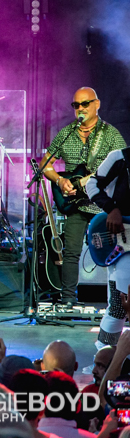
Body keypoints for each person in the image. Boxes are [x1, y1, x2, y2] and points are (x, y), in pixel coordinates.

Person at [41, 87, 125, 312]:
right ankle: (68, 298)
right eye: (76, 105)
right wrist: (60, 181)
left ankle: (118, 300)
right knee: (71, 251)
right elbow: (44, 164)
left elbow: (122, 167)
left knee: (113, 251)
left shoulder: (110, 134)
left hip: (101, 203)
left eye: (85, 104)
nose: (80, 109)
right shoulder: (66, 133)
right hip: (75, 203)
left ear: (97, 104)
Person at [86, 146, 130, 347]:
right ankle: (103, 358)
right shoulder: (120, 157)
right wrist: (112, 209)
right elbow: (92, 185)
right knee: (119, 307)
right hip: (122, 246)